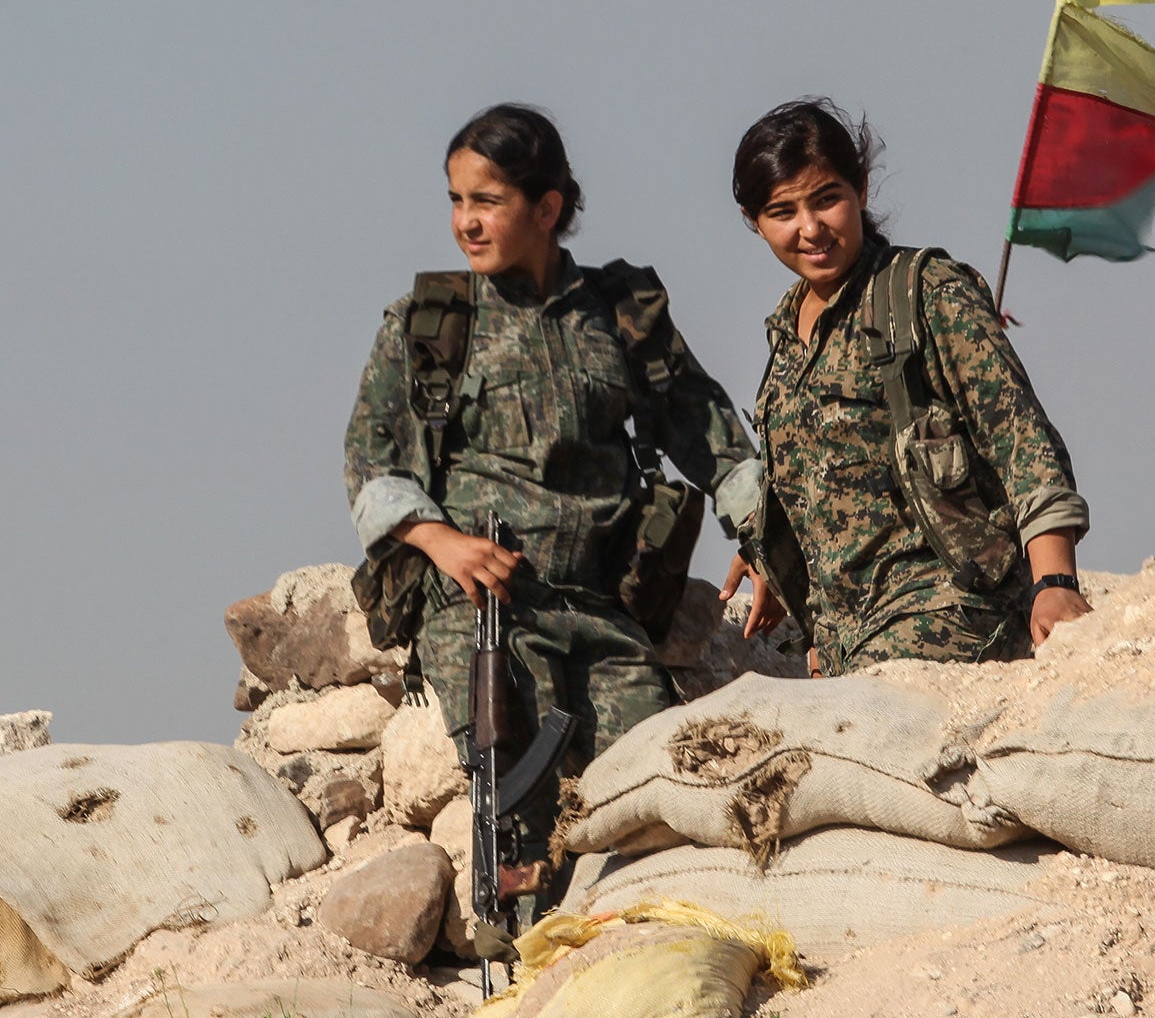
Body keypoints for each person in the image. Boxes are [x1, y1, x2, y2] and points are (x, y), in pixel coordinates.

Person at [343, 103, 759, 913]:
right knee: (519, 809)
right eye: (457, 200)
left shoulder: (622, 315)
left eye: (487, 201)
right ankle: (519, 956)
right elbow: (372, 463)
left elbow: (707, 433)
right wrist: (443, 544)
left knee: (651, 787)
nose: (467, 221)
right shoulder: (431, 322)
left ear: (548, 208)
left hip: (603, 610)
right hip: (486, 610)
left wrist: (770, 536)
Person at [719, 98, 1093, 675]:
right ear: (754, 220)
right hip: (848, 643)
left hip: (951, 613)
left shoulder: (925, 294)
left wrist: (1056, 582)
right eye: (783, 211)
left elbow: (1023, 444)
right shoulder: (786, 335)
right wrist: (771, 555)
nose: (811, 229)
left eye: (827, 199)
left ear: (861, 190)